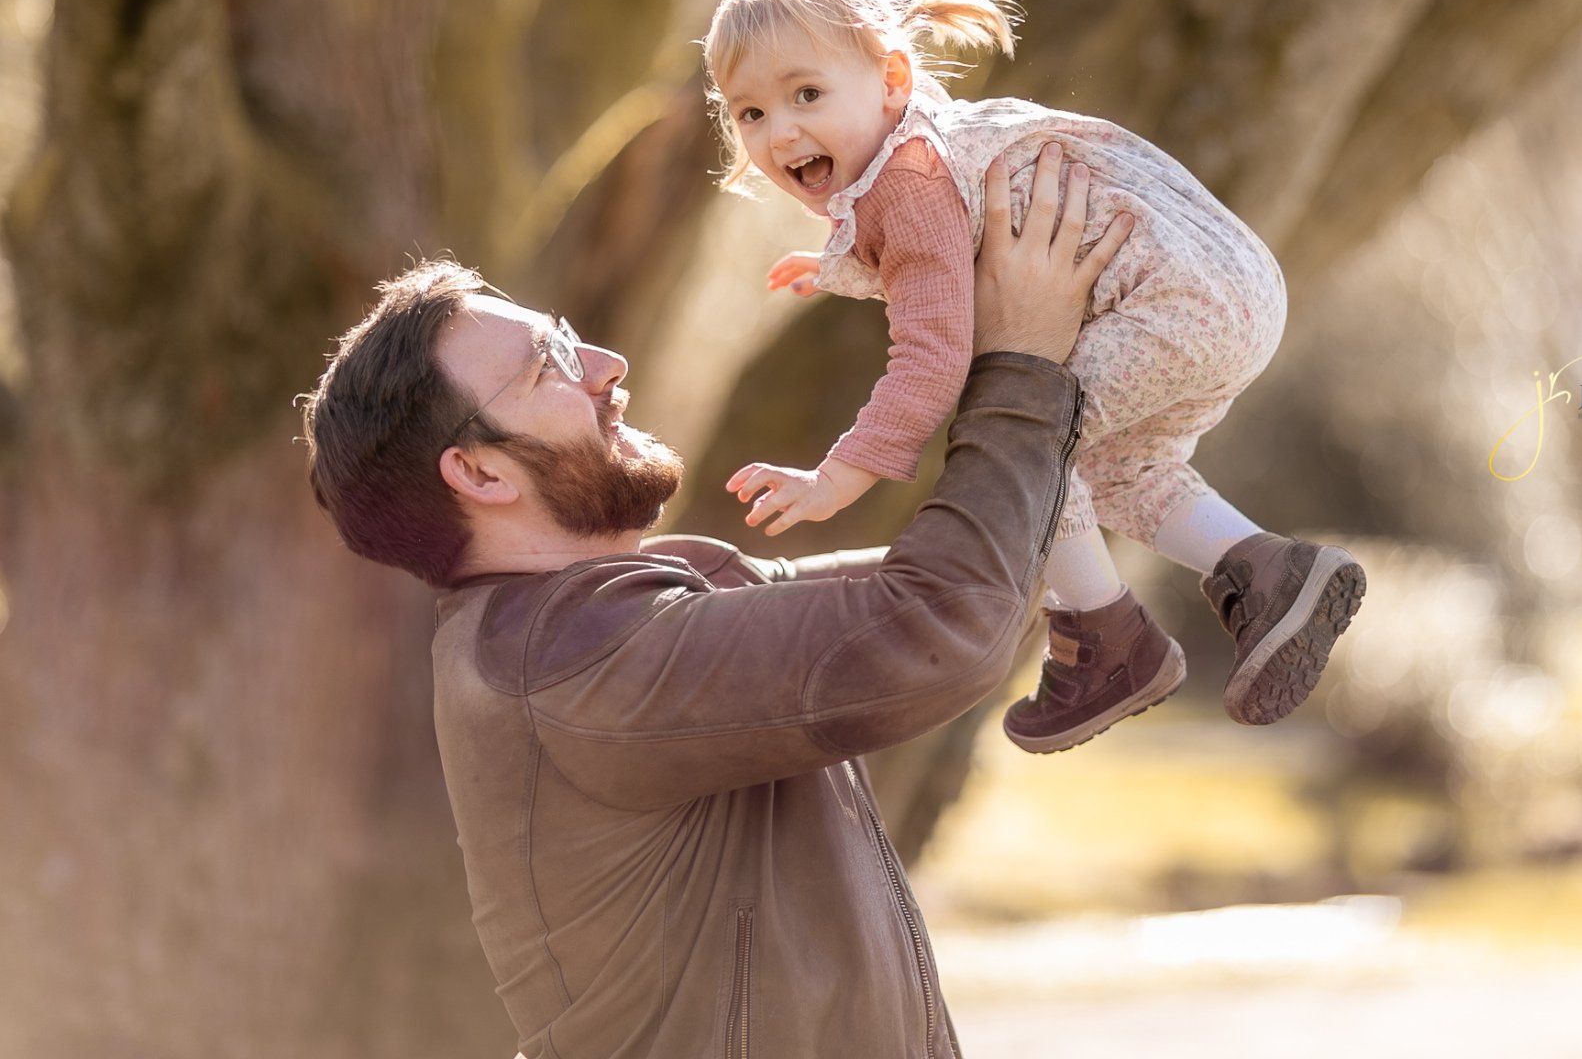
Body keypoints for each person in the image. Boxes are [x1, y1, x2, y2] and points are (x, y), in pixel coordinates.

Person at [300, 156, 1126, 1057]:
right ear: (481, 472)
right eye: (553, 365)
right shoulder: (576, 660)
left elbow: (947, 583)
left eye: (571, 337)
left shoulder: (617, 610)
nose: (609, 366)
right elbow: (945, 623)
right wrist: (1023, 365)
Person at [703, 0, 1366, 755]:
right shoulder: (925, 152)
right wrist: (838, 268)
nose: (780, 129)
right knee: (1110, 464)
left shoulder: (906, 185)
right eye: (750, 112)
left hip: (1169, 302)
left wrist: (840, 477)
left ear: (893, 81)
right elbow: (941, 260)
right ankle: (1269, 570)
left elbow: (933, 355)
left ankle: (1106, 641)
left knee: (1022, 444)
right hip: (1224, 293)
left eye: (806, 93)